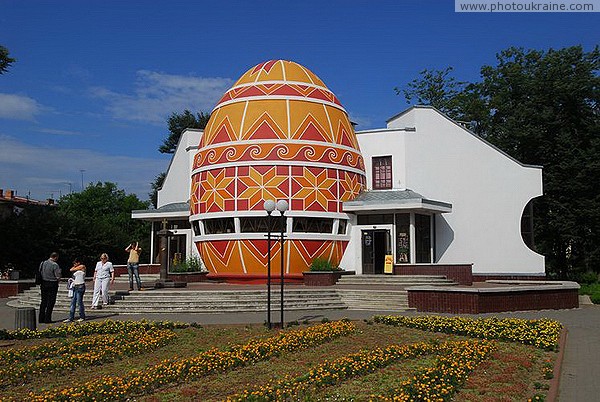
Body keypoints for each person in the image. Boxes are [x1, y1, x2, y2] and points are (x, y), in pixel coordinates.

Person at [38, 252, 61, 323]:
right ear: (55, 257)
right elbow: (57, 276)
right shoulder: (55, 265)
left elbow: (40, 271)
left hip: (43, 283)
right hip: (52, 283)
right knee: (51, 302)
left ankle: (41, 318)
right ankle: (47, 319)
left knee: (43, 301)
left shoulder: (43, 263)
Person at [64, 258, 86, 322]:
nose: (74, 264)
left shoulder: (82, 267)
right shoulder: (76, 269)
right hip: (75, 286)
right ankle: (71, 317)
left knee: (79, 302)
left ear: (78, 262)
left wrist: (75, 266)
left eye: (75, 263)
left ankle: (82, 316)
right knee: (73, 302)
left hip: (80, 286)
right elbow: (71, 269)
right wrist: (74, 266)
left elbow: (73, 269)